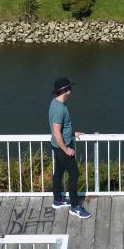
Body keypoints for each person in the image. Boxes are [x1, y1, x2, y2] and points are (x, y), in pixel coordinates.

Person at [48, 76, 92, 219]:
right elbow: (56, 132)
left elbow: (61, 128)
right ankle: (75, 207)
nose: (72, 90)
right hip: (62, 147)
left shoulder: (55, 103)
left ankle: (57, 200)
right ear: (65, 90)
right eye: (70, 88)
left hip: (56, 145)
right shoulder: (59, 109)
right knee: (74, 174)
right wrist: (66, 149)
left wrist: (72, 133)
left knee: (59, 171)